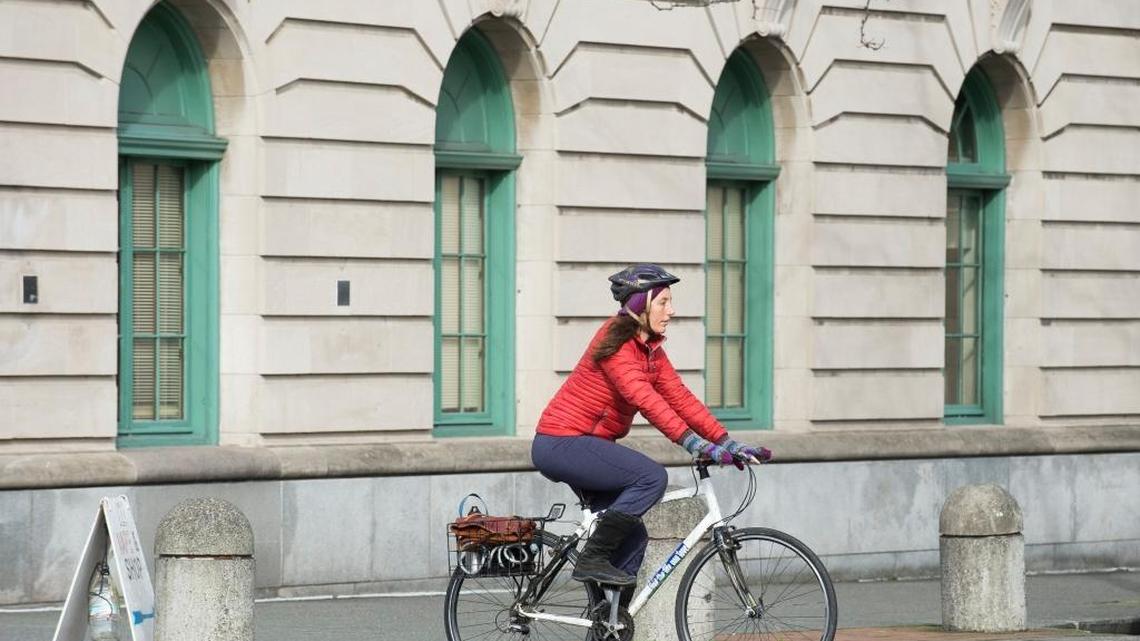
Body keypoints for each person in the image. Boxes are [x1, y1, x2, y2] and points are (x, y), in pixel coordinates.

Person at [531, 263, 772, 590]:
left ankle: (608, 624)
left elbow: (679, 397)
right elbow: (646, 399)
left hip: (588, 446)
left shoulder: (650, 351)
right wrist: (693, 444)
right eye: (663, 302)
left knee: (632, 542)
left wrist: (725, 441)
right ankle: (592, 558)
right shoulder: (615, 344)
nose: (671, 311)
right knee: (651, 477)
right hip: (562, 443)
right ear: (639, 306)